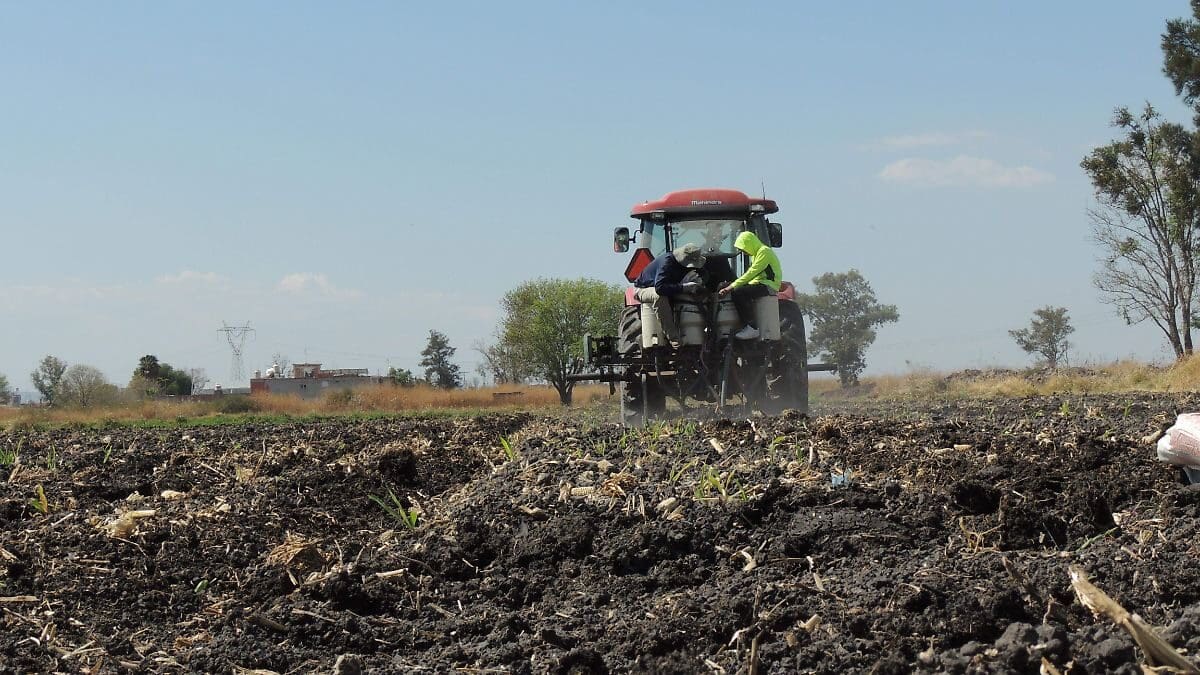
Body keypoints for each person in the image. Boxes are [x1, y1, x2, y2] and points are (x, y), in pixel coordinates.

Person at [634, 243, 707, 345]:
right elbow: (660, 288)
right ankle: (674, 339)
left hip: (668, 287)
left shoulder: (688, 264)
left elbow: (703, 275)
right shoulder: (667, 262)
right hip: (644, 289)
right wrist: (684, 287)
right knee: (659, 296)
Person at [717, 231, 782, 340]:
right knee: (733, 287)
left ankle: (751, 327)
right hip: (760, 282)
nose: (744, 252)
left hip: (769, 285)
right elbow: (754, 277)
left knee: (738, 292)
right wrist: (730, 285)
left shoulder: (764, 251)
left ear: (749, 243)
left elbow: (752, 273)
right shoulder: (755, 254)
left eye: (743, 249)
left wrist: (731, 287)